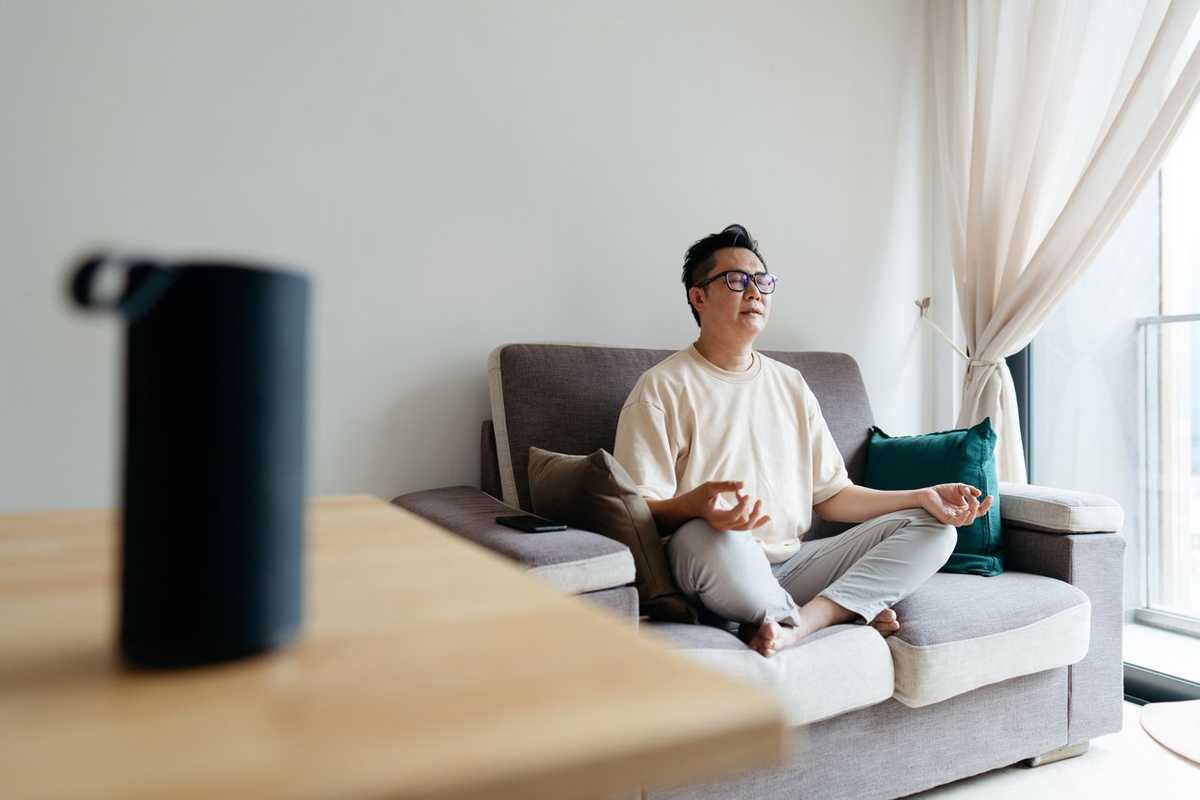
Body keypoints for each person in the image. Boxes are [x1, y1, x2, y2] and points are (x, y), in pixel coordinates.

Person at [612, 223, 993, 658]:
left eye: (762, 281)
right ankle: (844, 608)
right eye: (735, 280)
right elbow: (635, 512)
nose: (754, 291)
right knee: (704, 536)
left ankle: (799, 622)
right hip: (716, 559)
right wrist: (695, 505)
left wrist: (921, 496)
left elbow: (833, 497)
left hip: (794, 563)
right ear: (698, 297)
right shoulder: (661, 388)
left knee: (936, 530)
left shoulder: (790, 384)